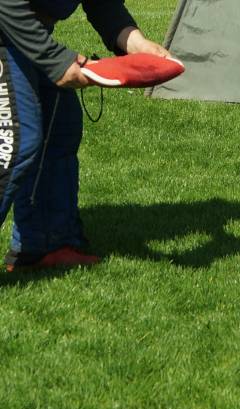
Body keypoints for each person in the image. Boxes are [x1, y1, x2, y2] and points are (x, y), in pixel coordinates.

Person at [0, 1, 169, 271]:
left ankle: (46, 245)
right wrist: (54, 58)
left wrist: (137, 43)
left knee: (60, 126)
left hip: (25, 31)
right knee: (14, 143)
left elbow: (102, 3)